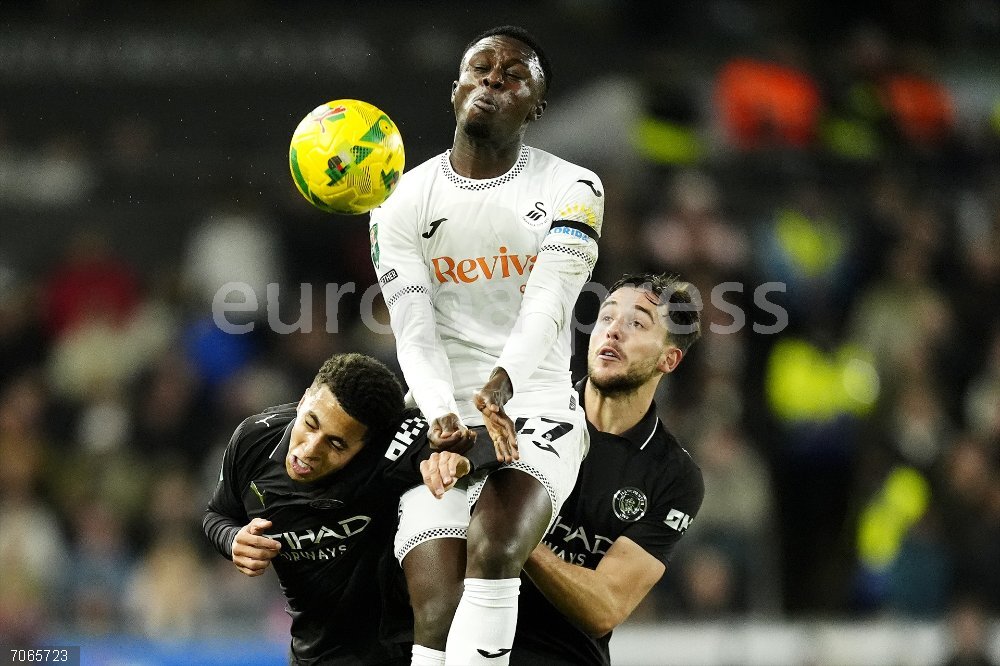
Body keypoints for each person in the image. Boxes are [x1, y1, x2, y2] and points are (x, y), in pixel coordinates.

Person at [369, 24, 604, 665]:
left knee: (496, 547)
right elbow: (412, 327)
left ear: (537, 106)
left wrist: (500, 387)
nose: (492, 82)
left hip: (535, 406)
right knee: (438, 613)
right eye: (481, 70)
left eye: (513, 77)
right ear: (455, 90)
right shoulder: (399, 201)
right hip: (442, 414)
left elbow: (549, 307)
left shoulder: (574, 189)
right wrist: (444, 414)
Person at [421, 273, 706, 665]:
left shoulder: (673, 476)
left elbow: (604, 607)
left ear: (668, 359)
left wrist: (513, 533)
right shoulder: (517, 411)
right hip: (466, 644)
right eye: (606, 317)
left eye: (637, 322)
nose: (613, 332)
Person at [202, 352, 484, 665]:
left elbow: (494, 443)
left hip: (397, 652)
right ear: (304, 398)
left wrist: (459, 462)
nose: (308, 451)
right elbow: (217, 515)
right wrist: (233, 540)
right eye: (310, 423)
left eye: (336, 444)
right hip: (313, 652)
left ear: (369, 445)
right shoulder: (253, 439)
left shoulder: (394, 446)